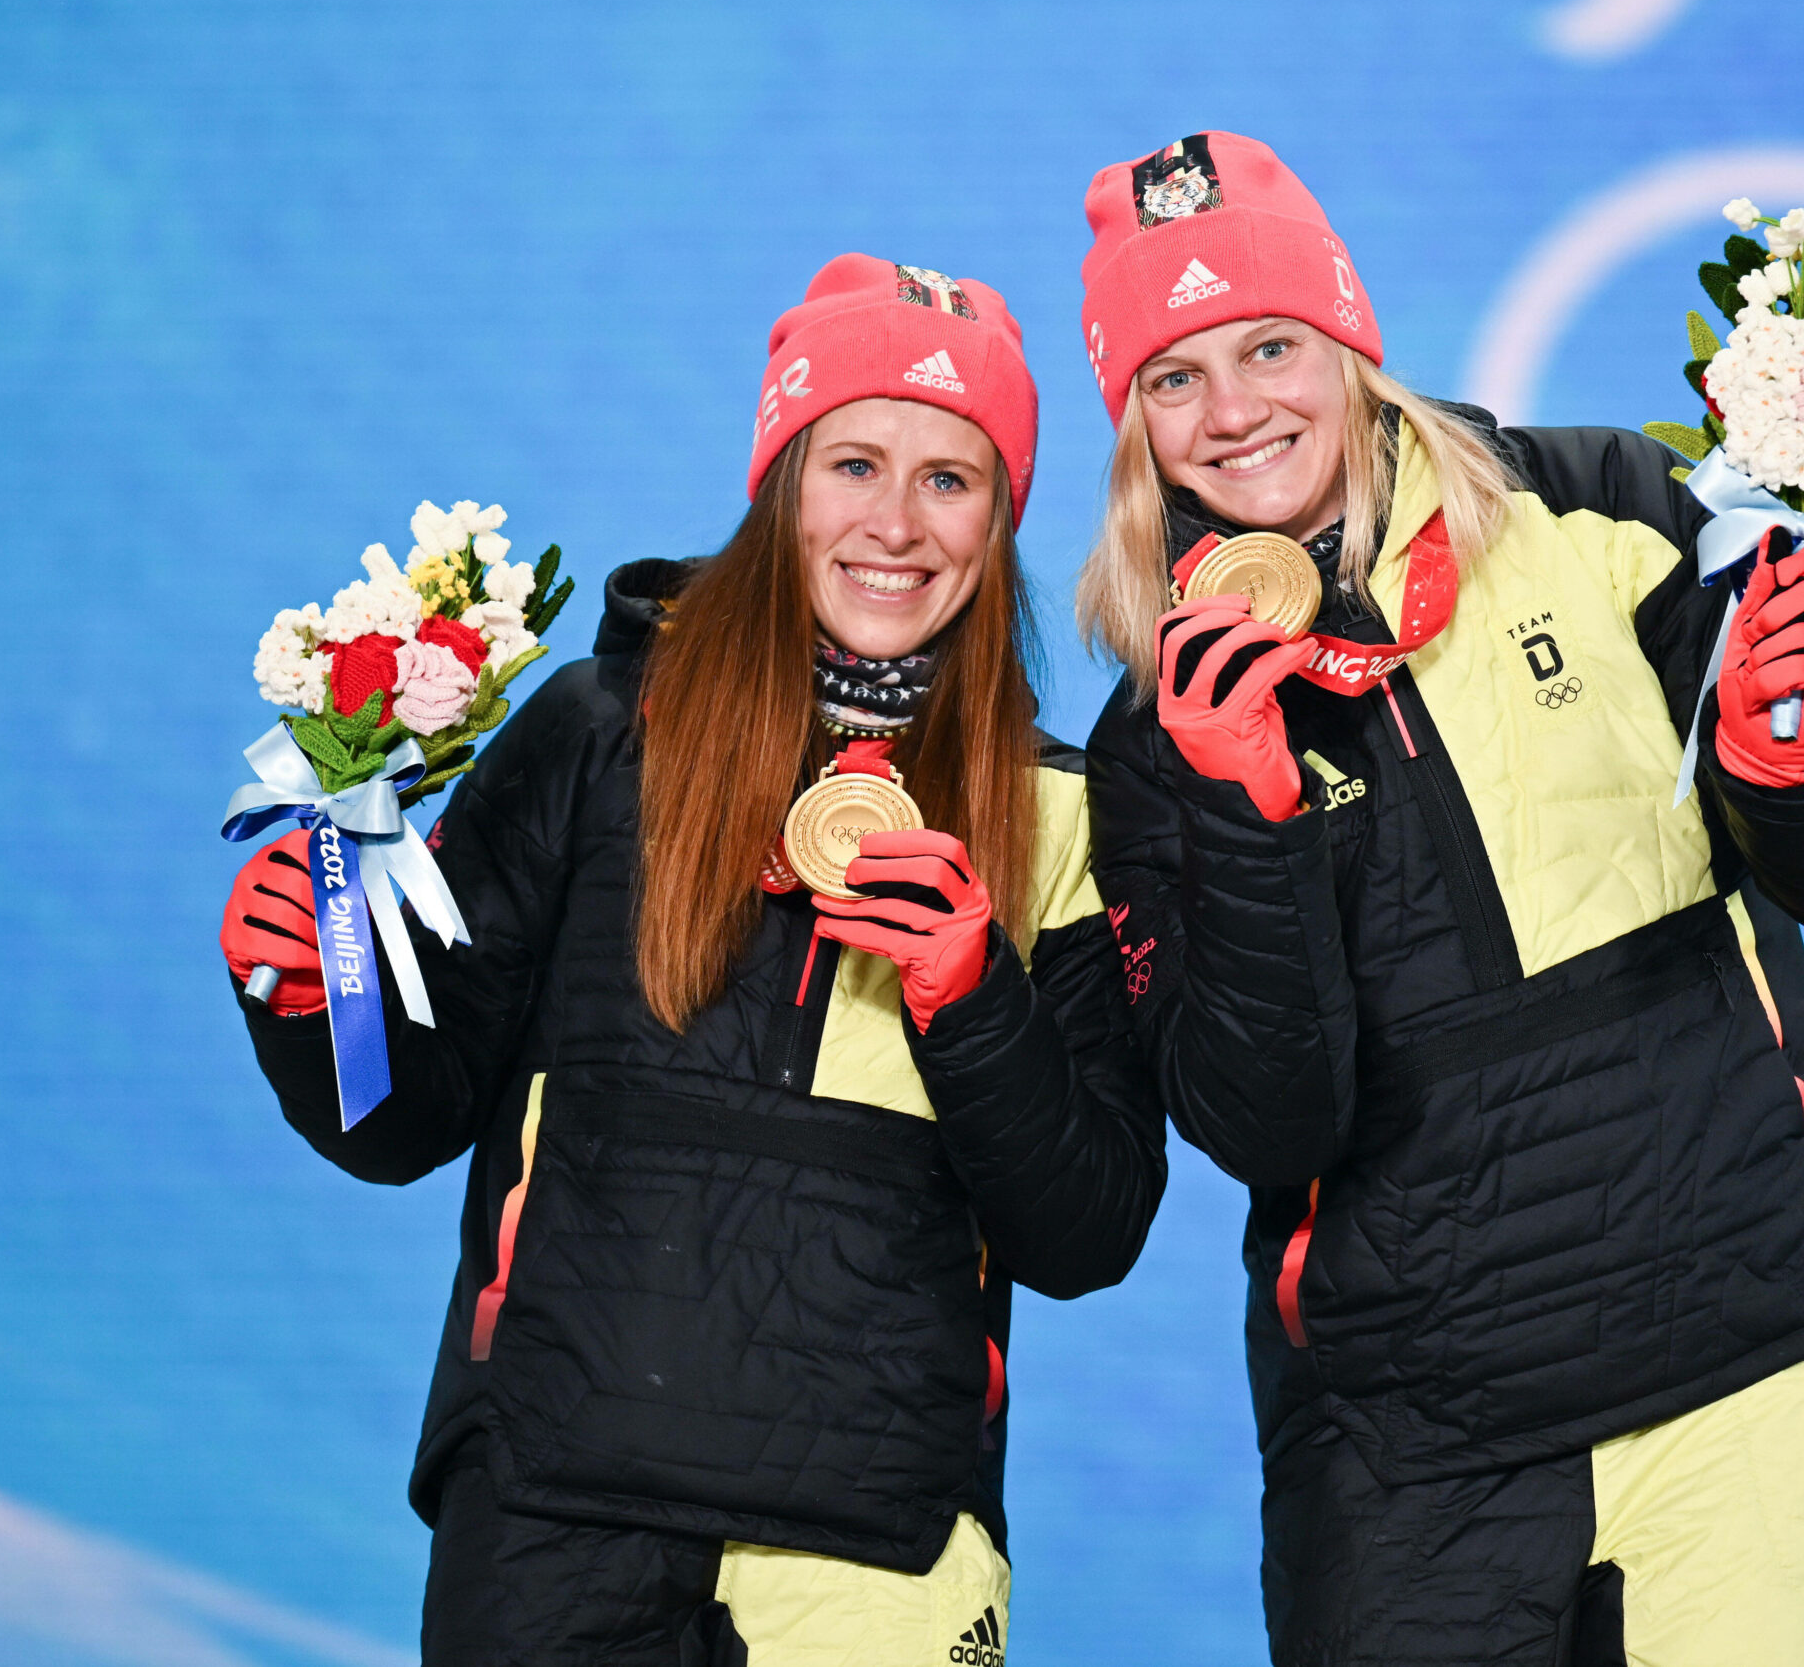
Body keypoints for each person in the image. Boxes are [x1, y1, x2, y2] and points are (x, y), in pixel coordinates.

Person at [221, 254, 1165, 1666]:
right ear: (781, 482)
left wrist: (972, 998)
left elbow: (1087, 1234)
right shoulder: (599, 735)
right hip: (554, 1506)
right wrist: (311, 994)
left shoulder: (1061, 814)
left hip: (881, 1541)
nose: (896, 524)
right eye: (854, 464)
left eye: (950, 479)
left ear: (1002, 517)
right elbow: (403, 1114)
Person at [1075, 132, 1804, 1666]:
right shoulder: (1151, 740)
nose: (1235, 409)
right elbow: (1270, 1128)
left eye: (1269, 346)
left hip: (1740, 1364)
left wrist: (1784, 766)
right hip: (1410, 1456)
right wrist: (1247, 812)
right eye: (1174, 378)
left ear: (1349, 340)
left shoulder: (1607, 504)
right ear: (1135, 428)